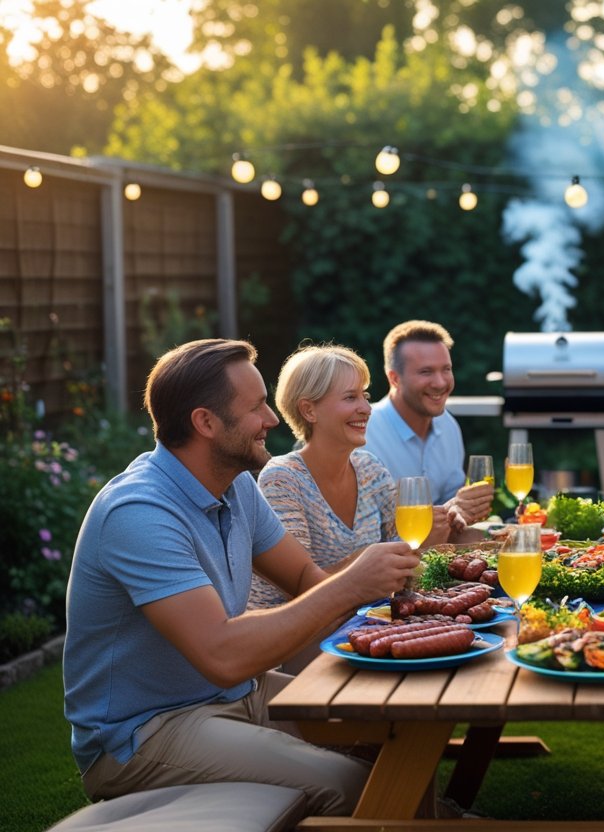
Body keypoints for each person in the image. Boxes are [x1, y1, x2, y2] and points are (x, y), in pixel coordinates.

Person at [63, 339, 419, 816]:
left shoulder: (237, 488)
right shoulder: (139, 513)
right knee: (346, 781)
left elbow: (304, 576)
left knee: (390, 724)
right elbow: (223, 654)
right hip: (145, 730)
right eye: (257, 407)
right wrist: (354, 582)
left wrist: (394, 608)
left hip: (236, 693)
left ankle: (446, 823)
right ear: (206, 423)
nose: (273, 419)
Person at [250, 344, 451, 670]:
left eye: (365, 396)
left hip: (362, 628)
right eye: (350, 398)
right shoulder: (283, 479)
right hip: (291, 648)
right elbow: (298, 590)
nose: (366, 408)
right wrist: (371, 560)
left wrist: (438, 530)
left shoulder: (369, 468)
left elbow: (404, 566)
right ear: (309, 410)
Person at [364, 320, 492, 534]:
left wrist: (464, 508)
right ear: (394, 378)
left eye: (446, 369)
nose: (441, 383)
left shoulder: (449, 426)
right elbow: (364, 530)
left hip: (432, 558)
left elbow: (452, 504)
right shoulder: (363, 433)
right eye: (426, 372)